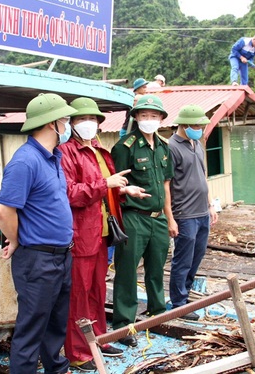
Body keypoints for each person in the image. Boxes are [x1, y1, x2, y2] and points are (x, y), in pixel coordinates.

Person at [59, 97, 149, 371]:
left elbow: (104, 186)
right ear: (71, 124)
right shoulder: (67, 153)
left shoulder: (100, 150)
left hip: (103, 231)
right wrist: (105, 184)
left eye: (92, 119)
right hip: (81, 232)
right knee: (79, 294)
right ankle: (77, 351)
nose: (88, 124)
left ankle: (98, 339)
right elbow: (70, 193)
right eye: (81, 119)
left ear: (99, 123)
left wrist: (123, 190)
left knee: (98, 289)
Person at [0, 93, 77, 374]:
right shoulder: (25, 161)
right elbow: (3, 210)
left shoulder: (55, 157)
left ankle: (56, 368)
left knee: (56, 322)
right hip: (37, 259)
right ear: (52, 124)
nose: (68, 125)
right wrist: (16, 239)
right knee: (31, 327)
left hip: (61, 256)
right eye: (65, 120)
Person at [111, 94, 176, 347]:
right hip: (133, 218)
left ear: (161, 119)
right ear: (136, 118)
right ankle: (123, 325)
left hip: (158, 219)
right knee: (127, 272)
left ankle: (157, 313)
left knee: (156, 269)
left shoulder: (163, 146)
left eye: (154, 116)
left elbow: (166, 185)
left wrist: (170, 218)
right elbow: (114, 187)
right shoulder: (124, 147)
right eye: (144, 115)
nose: (149, 120)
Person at [168, 105, 218, 321]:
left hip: (201, 212)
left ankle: (185, 294)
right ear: (184, 124)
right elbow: (166, 184)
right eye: (196, 125)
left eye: (201, 125)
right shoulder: (171, 147)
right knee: (183, 259)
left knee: (197, 256)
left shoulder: (197, 143)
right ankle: (178, 303)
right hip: (184, 213)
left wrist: (210, 205)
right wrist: (170, 217)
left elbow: (203, 176)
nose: (199, 128)